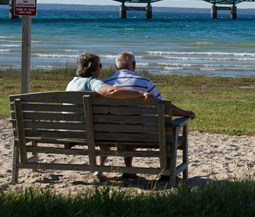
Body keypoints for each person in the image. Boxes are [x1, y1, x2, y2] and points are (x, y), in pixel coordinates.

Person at [104, 51, 196, 180]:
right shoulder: (144, 82)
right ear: (134, 65)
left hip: (115, 134)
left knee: (126, 124)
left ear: (115, 66)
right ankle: (166, 172)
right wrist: (185, 113)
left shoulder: (105, 85)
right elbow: (165, 107)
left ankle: (128, 169)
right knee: (166, 132)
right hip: (146, 134)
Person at [66, 52, 156, 181]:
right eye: (100, 65)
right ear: (96, 68)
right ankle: (123, 168)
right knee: (110, 127)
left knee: (106, 126)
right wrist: (141, 93)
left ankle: (99, 169)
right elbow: (112, 91)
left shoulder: (72, 83)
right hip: (89, 133)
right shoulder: (93, 83)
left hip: (70, 131)